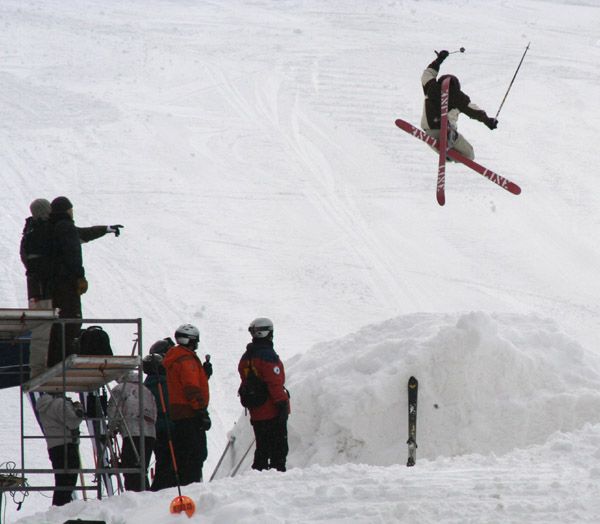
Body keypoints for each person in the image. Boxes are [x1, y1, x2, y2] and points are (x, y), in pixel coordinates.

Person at [46, 196, 123, 368]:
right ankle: (61, 362)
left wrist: (105, 229)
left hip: (52, 287)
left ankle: (56, 361)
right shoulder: (65, 227)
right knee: (71, 321)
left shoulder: (53, 228)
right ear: (66, 210)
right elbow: (73, 253)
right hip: (66, 285)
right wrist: (79, 276)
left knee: (59, 325)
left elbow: (82, 233)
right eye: (70, 209)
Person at [421, 50, 498, 160]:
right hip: (445, 130)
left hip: (429, 130)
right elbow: (474, 111)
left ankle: (448, 153)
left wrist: (439, 60)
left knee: (444, 153)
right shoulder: (457, 96)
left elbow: (427, 73)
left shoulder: (431, 86)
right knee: (469, 154)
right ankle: (450, 138)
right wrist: (488, 121)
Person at [238, 317, 290, 472]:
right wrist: (282, 404)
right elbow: (274, 383)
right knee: (279, 449)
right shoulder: (268, 356)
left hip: (256, 411)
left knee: (262, 447)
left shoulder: (246, 357)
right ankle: (276, 477)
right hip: (272, 410)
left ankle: (258, 477)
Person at [162, 324, 211, 485]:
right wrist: (202, 411)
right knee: (196, 454)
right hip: (190, 413)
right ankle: (191, 486)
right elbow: (191, 388)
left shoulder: (175, 357)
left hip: (179, 413)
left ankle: (185, 483)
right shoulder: (187, 359)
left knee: (184, 453)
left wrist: (204, 374)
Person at [107, 371, 157, 492]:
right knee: (141, 469)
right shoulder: (147, 391)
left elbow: (114, 413)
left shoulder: (120, 389)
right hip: (150, 434)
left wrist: (111, 430)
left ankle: (135, 496)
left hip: (132, 433)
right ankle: (145, 495)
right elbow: (155, 413)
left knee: (130, 470)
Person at [36, 393, 84, 506]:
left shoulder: (44, 405)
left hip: (54, 445)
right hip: (67, 444)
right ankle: (60, 508)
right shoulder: (59, 403)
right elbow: (72, 422)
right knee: (69, 481)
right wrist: (78, 409)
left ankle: (58, 509)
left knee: (61, 481)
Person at [142, 337, 176, 491]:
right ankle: (161, 488)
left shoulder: (148, 383)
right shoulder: (164, 382)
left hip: (155, 428)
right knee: (167, 461)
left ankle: (160, 487)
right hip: (166, 426)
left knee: (163, 460)